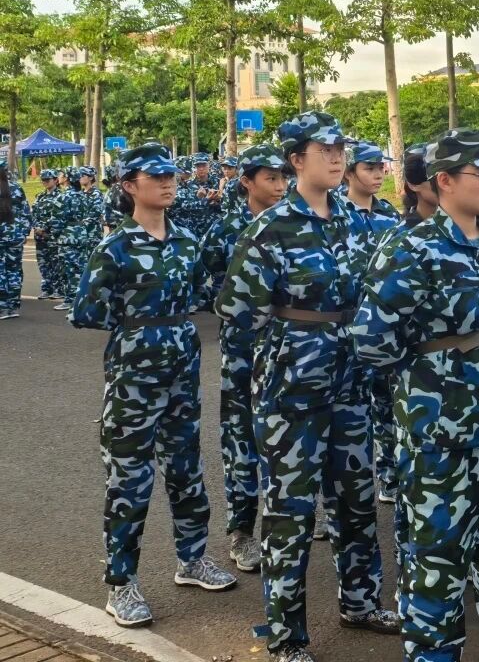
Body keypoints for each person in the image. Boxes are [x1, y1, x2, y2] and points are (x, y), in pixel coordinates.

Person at [215, 112, 399, 662]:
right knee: (290, 512)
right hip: (291, 388)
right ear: (297, 160)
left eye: (341, 148)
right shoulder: (270, 228)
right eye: (325, 149)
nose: (338, 157)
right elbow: (237, 310)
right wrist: (291, 339)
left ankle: (360, 602)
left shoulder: (354, 222)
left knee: (356, 499)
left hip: (350, 382)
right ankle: (287, 634)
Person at [354, 129, 479, 662]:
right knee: (439, 558)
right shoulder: (412, 248)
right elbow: (371, 339)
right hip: (443, 435)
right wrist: (430, 379)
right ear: (444, 181)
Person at [70, 142, 238, 627]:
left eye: (171, 177)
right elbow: (87, 311)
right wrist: (139, 326)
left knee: (187, 469)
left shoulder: (186, 240)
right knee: (130, 479)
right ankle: (121, 583)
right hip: (133, 379)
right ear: (129, 186)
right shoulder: (114, 247)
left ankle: (193, 559)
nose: (168, 184)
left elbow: (201, 292)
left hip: (182, 369)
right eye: (156, 177)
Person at [199, 143, 289, 574]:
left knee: (288, 431)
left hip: (285, 345)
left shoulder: (293, 224)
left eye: (283, 177)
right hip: (241, 346)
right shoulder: (226, 228)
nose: (280, 185)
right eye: (270, 178)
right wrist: (230, 308)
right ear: (247, 182)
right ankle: (241, 530)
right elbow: (203, 277)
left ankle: (288, 518)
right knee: (240, 435)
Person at [342, 141, 402, 505]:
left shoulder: (389, 216)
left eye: (381, 167)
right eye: (370, 168)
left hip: (381, 325)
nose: (379, 174)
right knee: (349, 414)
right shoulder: (337, 215)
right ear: (349, 172)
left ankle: (389, 474)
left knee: (386, 403)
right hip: (344, 326)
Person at [55, 166, 104, 312]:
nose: (81, 178)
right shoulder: (81, 194)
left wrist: (79, 226)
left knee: (81, 267)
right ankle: (82, 297)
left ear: (91, 177)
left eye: (84, 175)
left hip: (90, 235)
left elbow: (94, 214)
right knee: (80, 267)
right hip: (82, 234)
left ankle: (81, 298)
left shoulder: (95, 194)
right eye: (80, 175)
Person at [0, 158, 32, 320]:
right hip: (15, 236)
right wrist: (24, 233)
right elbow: (27, 213)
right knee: (15, 271)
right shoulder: (17, 188)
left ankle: (3, 307)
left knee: (1, 271)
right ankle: (13, 306)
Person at [32, 168, 63, 300]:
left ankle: (58, 289)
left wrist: (44, 228)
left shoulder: (61, 196)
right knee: (43, 263)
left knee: (55, 263)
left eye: (47, 180)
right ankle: (46, 288)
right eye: (43, 180)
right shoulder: (40, 196)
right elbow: (33, 214)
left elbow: (58, 215)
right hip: (40, 236)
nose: (44, 182)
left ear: (55, 180)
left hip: (52, 235)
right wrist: (37, 227)